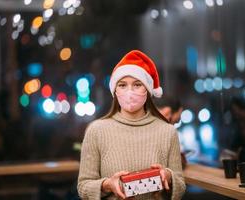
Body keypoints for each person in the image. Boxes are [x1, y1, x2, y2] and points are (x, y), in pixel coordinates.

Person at [77, 50, 186, 200]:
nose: (130, 92)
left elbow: (180, 185)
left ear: (147, 90)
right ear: (115, 91)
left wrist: (168, 176)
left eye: (137, 84)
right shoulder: (96, 131)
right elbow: (83, 187)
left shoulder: (167, 132)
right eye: (122, 85)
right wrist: (107, 184)